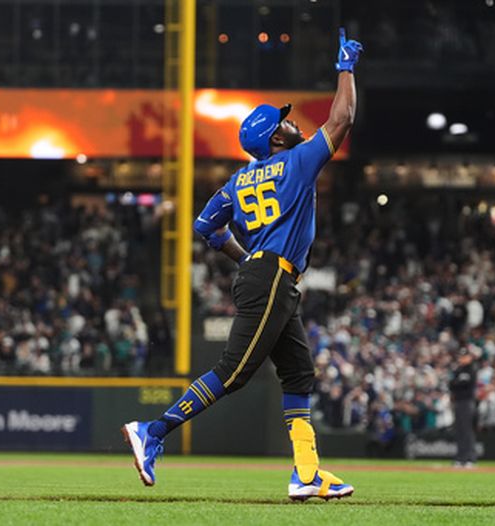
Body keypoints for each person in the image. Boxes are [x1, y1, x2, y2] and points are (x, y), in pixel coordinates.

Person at [122, 28, 363, 500]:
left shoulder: (238, 179)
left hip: (265, 273)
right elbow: (343, 117)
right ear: (275, 135)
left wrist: (244, 256)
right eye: (285, 121)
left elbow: (204, 227)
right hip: (273, 275)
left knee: (298, 375)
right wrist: (346, 68)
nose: (293, 124)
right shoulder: (296, 162)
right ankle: (153, 430)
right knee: (233, 373)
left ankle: (307, 474)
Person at [449, 348, 477, 468]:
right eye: (461, 356)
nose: (462, 358)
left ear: (469, 357)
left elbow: (465, 384)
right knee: (459, 430)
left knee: (466, 430)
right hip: (458, 402)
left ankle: (470, 458)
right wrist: (458, 383)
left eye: (464, 356)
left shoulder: (471, 369)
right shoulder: (458, 369)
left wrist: (457, 383)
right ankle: (460, 458)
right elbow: (451, 384)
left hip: (467, 402)